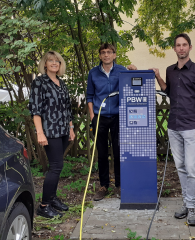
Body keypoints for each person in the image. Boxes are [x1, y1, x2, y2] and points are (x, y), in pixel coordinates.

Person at [151, 33, 195, 226]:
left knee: (192, 168)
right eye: (178, 45)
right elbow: (168, 92)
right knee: (181, 168)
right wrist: (159, 76)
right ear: (174, 49)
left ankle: (193, 208)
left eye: (185, 45)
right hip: (174, 127)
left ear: (190, 48)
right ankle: (187, 203)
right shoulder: (170, 70)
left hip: (192, 127)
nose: (181, 48)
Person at [86, 43, 136, 201]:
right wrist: (93, 118)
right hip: (99, 116)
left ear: (114, 55)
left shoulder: (122, 70)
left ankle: (120, 185)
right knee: (101, 153)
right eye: (103, 52)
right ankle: (103, 186)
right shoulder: (93, 73)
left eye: (109, 52)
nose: (106, 55)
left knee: (119, 151)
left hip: (118, 116)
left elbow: (133, 85)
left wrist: (134, 71)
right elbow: (89, 96)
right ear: (100, 56)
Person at [29, 51, 75, 218]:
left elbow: (67, 109)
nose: (54, 63)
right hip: (50, 131)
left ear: (60, 65)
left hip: (63, 130)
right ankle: (44, 205)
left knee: (57, 165)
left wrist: (71, 128)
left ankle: (52, 198)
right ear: (45, 64)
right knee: (56, 167)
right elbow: (35, 110)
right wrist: (40, 133)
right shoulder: (39, 83)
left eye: (57, 61)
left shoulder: (61, 83)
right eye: (51, 61)